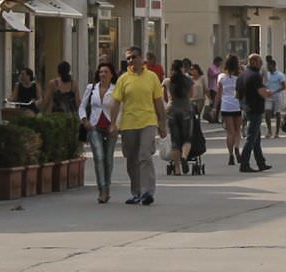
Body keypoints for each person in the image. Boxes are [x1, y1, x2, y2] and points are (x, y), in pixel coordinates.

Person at [112, 47, 166, 205]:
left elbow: (158, 102)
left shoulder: (152, 77)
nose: (130, 61)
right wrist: (112, 123)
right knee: (132, 159)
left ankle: (147, 191)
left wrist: (162, 123)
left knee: (144, 155)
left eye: (133, 57)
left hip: (148, 121)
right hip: (128, 123)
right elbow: (116, 102)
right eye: (128, 58)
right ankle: (136, 192)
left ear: (142, 59)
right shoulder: (123, 79)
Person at [79, 61, 119, 203]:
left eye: (106, 72)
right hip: (94, 126)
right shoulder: (91, 88)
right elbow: (82, 106)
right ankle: (102, 189)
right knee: (99, 157)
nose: (103, 74)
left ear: (111, 74)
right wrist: (84, 120)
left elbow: (121, 108)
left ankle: (107, 187)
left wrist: (116, 125)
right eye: (101, 72)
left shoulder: (116, 89)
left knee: (108, 159)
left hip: (110, 127)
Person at [237, 54, 272, 172]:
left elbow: (237, 94)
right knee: (252, 137)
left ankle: (261, 162)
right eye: (259, 61)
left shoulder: (242, 75)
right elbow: (262, 92)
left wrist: (243, 105)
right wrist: (268, 93)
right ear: (253, 62)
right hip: (255, 109)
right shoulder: (255, 76)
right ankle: (244, 163)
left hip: (247, 109)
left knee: (256, 138)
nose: (261, 64)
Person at [165, 60, 200, 176]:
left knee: (175, 141)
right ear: (182, 68)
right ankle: (184, 157)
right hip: (185, 109)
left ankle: (177, 168)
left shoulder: (168, 81)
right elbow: (192, 95)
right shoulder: (188, 80)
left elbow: (165, 96)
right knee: (187, 138)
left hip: (171, 110)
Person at [217, 54, 245, 161]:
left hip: (226, 106)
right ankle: (237, 147)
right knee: (238, 131)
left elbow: (219, 94)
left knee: (230, 132)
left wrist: (215, 107)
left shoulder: (221, 77)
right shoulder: (240, 76)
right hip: (237, 105)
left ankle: (230, 155)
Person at [264, 57, 286, 139]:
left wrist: (274, 91)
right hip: (268, 96)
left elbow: (284, 86)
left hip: (277, 96)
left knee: (277, 113)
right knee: (267, 112)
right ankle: (269, 130)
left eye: (268, 65)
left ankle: (277, 132)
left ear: (273, 65)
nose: (267, 67)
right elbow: (264, 84)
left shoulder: (280, 75)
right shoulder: (267, 74)